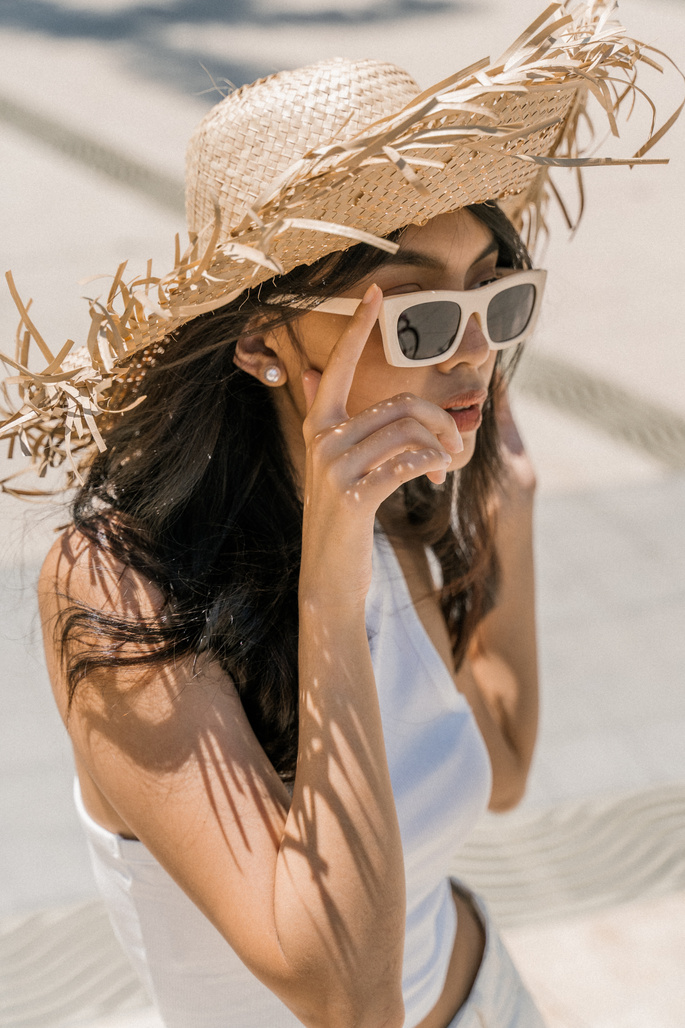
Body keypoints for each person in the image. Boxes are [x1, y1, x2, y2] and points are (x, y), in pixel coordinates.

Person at [0, 3, 679, 1026]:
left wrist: (512, 514)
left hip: (492, 994)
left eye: (496, 298)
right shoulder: (116, 584)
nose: (471, 357)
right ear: (264, 341)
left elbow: (493, 766)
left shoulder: (403, 500)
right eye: (416, 315)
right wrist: (331, 584)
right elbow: (347, 999)